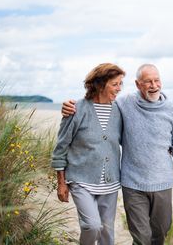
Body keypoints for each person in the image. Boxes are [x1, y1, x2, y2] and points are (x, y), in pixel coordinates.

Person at [62, 64, 173, 245]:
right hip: (132, 184)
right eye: (148, 81)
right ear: (138, 84)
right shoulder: (123, 104)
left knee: (159, 234)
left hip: (162, 183)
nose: (154, 85)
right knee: (141, 237)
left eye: (157, 80)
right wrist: (70, 105)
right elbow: (99, 102)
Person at [52, 63, 125, 245]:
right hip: (80, 179)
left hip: (110, 181)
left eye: (120, 84)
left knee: (107, 231)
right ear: (100, 84)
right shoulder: (76, 109)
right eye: (115, 84)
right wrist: (61, 182)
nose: (119, 89)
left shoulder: (120, 110)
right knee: (92, 226)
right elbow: (61, 147)